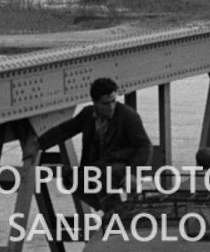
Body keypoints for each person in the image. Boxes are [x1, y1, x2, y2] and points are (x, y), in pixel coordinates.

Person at [25, 77, 153, 219]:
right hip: (98, 166)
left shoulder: (128, 115)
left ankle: (115, 210)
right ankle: (111, 207)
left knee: (104, 175)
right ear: (95, 102)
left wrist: (135, 174)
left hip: (125, 166)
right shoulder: (87, 114)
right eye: (105, 103)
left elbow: (144, 146)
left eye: (113, 101)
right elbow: (66, 129)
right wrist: (39, 144)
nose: (111, 107)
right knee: (69, 180)